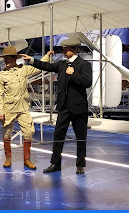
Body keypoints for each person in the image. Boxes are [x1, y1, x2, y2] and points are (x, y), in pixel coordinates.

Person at [22, 38, 92, 175]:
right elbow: (46, 67)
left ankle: (80, 165)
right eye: (64, 48)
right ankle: (55, 164)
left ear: (74, 49)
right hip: (64, 107)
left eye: (66, 48)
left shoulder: (84, 65)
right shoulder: (61, 65)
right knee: (58, 136)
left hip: (79, 108)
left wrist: (74, 74)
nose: (64, 51)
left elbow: (87, 82)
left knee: (81, 137)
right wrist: (31, 60)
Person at [0, 46, 51, 169]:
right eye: (4, 58)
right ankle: (8, 158)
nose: (6, 60)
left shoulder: (23, 70)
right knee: (6, 134)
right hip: (8, 108)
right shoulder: (2, 75)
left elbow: (38, 68)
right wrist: (0, 111)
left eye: (8, 58)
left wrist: (47, 56)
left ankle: (27, 159)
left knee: (29, 132)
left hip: (23, 107)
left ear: (15, 58)